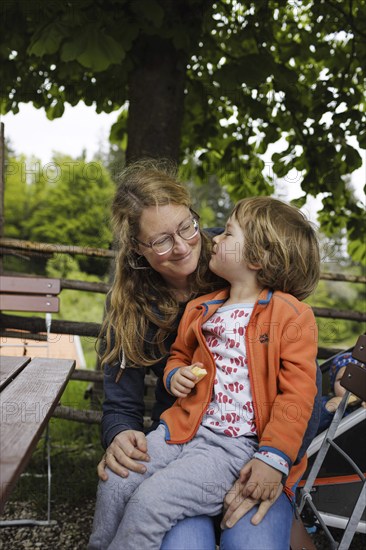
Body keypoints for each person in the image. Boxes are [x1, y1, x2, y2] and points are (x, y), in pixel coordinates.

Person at [88, 192, 321, 549]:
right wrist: (172, 376)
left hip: (235, 447)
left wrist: (274, 459)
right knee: (116, 482)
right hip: (181, 429)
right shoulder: (204, 308)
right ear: (139, 249)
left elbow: (301, 393)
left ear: (257, 257)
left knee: (151, 502)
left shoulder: (289, 314)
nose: (213, 241)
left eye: (225, 234)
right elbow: (179, 356)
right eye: (162, 240)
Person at [317, 351, 365, 434]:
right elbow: (310, 427)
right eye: (342, 380)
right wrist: (327, 409)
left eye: (356, 379)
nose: (348, 386)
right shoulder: (324, 402)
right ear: (333, 387)